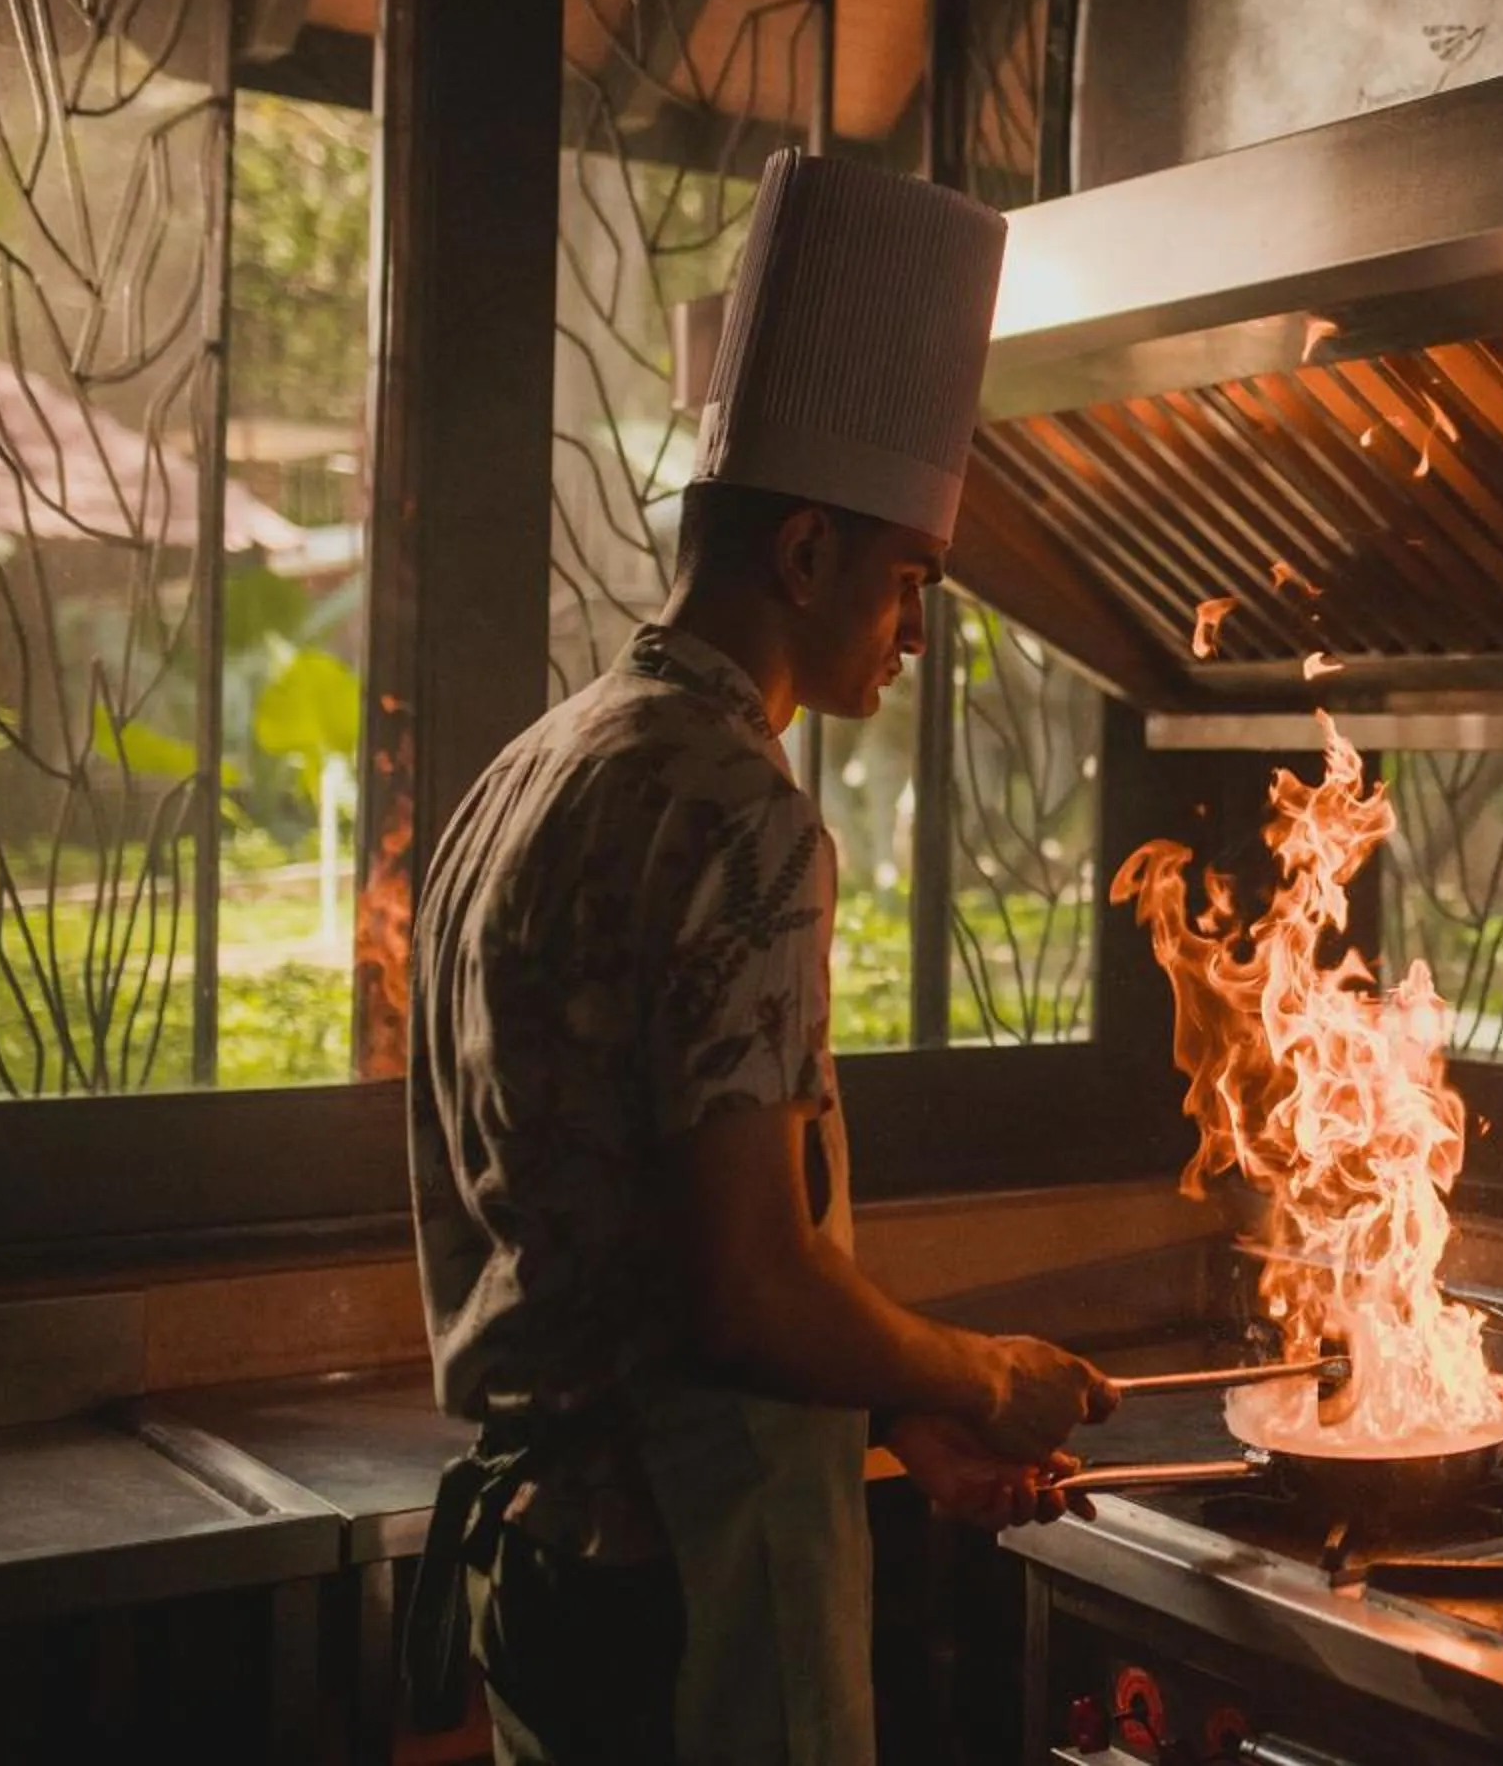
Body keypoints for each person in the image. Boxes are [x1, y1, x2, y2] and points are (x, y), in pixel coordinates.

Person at [403, 148, 1114, 1765]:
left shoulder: (536, 768)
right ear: (805, 557)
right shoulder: (743, 816)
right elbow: (747, 1289)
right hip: (692, 1596)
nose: (919, 630)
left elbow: (626, 1241)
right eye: (909, 579)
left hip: (549, 1582)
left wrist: (897, 1411)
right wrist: (979, 1374)